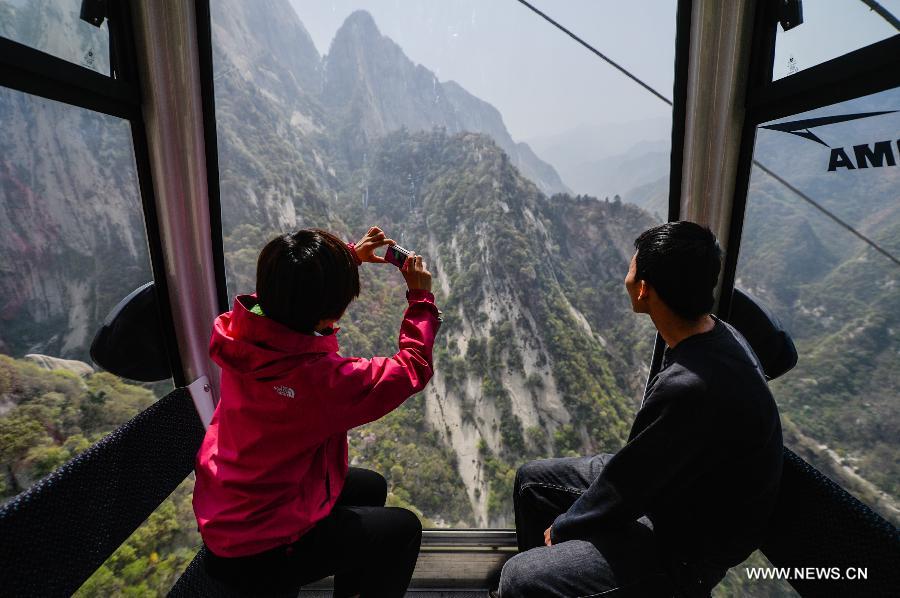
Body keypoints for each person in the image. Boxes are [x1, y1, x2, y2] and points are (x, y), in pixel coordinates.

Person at [499, 221, 783, 597]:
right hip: (681, 485)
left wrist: (566, 527)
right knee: (532, 482)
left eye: (632, 268)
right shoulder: (713, 333)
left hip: (687, 547)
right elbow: (642, 467)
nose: (627, 275)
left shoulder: (691, 386)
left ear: (645, 289)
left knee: (519, 578)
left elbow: (629, 486)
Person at [193, 226, 441, 597]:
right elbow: (411, 368)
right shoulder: (319, 381)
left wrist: (347, 258)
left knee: (369, 486)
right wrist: (420, 299)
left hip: (232, 502)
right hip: (257, 547)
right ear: (329, 314)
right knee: (403, 530)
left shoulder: (243, 332)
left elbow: (289, 288)